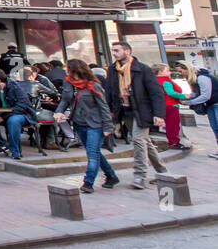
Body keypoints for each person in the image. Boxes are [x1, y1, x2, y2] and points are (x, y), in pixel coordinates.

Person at [108, 41, 168, 189]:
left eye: (117, 50)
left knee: (138, 140)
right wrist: (110, 110)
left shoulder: (142, 69)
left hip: (142, 111)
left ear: (127, 51)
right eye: (113, 50)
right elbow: (109, 90)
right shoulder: (113, 69)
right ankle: (164, 172)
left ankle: (140, 176)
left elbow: (156, 93)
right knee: (145, 141)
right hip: (125, 110)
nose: (114, 53)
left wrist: (158, 114)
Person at [53, 59, 118, 194]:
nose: (65, 70)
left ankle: (88, 182)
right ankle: (111, 176)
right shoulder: (68, 83)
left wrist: (108, 126)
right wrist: (59, 111)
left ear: (75, 70)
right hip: (79, 123)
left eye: (68, 68)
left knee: (92, 153)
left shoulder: (94, 85)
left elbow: (104, 107)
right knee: (94, 151)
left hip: (96, 124)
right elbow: (65, 99)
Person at [0, 68, 37, 159]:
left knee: (13, 121)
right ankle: (4, 144)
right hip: (2, 115)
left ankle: (15, 152)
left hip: (22, 114)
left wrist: (4, 116)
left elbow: (22, 105)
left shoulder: (15, 87)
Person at [183, 64, 218, 158]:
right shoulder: (195, 79)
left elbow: (206, 95)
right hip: (211, 105)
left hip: (216, 103)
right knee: (215, 128)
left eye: (181, 71)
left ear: (188, 69)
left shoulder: (202, 77)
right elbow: (198, 94)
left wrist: (189, 102)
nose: (180, 73)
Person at [154, 63, 188, 151]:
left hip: (164, 105)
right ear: (160, 72)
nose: (169, 72)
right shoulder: (165, 80)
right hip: (170, 105)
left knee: (170, 125)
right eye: (167, 70)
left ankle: (173, 141)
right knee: (173, 125)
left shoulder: (155, 80)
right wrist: (184, 96)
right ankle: (174, 142)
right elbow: (170, 92)